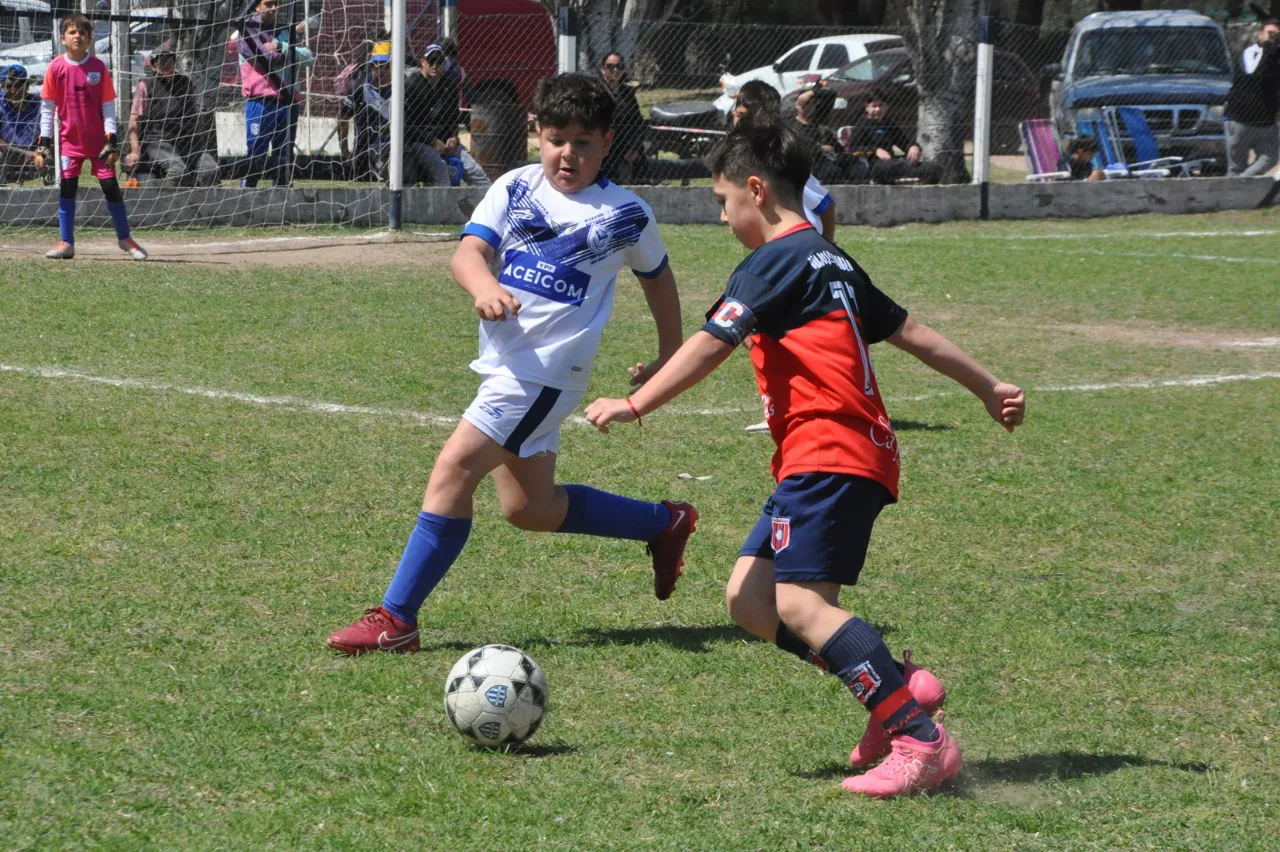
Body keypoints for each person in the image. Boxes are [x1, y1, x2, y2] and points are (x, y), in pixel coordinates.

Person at [584, 122, 1025, 798]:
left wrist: (637, 401)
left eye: (723, 198)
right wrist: (987, 384)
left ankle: (918, 739)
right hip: (839, 454)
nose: (723, 213)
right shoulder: (831, 258)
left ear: (756, 191)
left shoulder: (773, 260)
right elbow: (912, 331)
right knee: (751, 601)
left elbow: (712, 343)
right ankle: (898, 692)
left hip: (830, 449)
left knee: (800, 604)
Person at [327, 72, 696, 655]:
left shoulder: (625, 213)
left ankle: (397, 620)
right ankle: (662, 523)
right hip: (506, 368)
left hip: (543, 376)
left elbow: (659, 282)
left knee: (453, 470)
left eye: (582, 142)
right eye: (555, 139)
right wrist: (482, 287)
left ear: (607, 142)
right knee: (531, 509)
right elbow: (469, 253)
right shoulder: (515, 187)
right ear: (537, 136)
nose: (567, 154)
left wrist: (669, 354)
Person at [35, 15, 147, 260]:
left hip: (98, 144)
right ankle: (66, 243)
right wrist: (44, 144)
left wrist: (111, 140)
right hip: (69, 143)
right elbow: (47, 109)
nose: (77, 36)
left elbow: (107, 107)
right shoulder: (56, 67)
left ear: (89, 39)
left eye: (83, 33)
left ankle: (125, 239)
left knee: (111, 188)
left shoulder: (98, 68)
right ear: (63, 38)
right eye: (72, 32)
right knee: (67, 190)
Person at [732, 80, 834, 241]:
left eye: (743, 116)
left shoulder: (780, 161)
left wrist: (829, 246)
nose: (737, 122)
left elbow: (825, 204)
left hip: (802, 241)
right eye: (737, 115)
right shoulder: (744, 156)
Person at [238, 0, 313, 187]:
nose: (273, 8)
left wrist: (281, 46)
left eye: (276, 4)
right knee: (255, 157)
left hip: (288, 104)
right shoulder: (246, 31)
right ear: (256, 6)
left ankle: (281, 205)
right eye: (268, 4)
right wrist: (288, 54)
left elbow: (308, 57)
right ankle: (246, 205)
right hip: (261, 102)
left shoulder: (285, 32)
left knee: (284, 158)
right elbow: (269, 58)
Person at [125, 42, 219, 187]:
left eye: (169, 59)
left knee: (211, 169)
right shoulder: (145, 85)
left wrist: (199, 143)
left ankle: (197, 207)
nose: (165, 63)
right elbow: (134, 120)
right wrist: (135, 151)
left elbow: (194, 116)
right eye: (161, 60)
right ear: (153, 65)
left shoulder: (185, 83)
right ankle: (168, 206)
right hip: (157, 141)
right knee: (178, 171)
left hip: (185, 140)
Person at [404, 42, 490, 187]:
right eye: (431, 60)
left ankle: (489, 205)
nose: (435, 65)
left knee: (478, 174)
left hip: (446, 143)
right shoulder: (411, 85)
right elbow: (406, 127)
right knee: (442, 172)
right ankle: (444, 208)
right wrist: (432, 141)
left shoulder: (448, 86)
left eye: (440, 61)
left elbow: (452, 118)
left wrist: (453, 137)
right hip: (421, 143)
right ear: (422, 63)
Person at [845, 92, 942, 185]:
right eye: (874, 106)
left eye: (881, 105)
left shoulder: (888, 124)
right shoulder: (862, 124)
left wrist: (914, 146)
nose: (878, 109)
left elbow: (904, 141)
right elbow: (853, 149)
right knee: (901, 167)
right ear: (867, 108)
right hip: (873, 166)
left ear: (886, 107)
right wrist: (875, 150)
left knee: (934, 169)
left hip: (892, 163)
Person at [1224, 18, 1279, 177]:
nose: (1273, 37)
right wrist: (1269, 48)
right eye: (1270, 33)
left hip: (1266, 122)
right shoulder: (1252, 52)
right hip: (1241, 119)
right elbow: (1255, 75)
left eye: (1277, 35)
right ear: (1260, 34)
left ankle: (1241, 183)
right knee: (1236, 166)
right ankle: (1235, 195)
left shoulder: (1275, 55)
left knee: (1271, 157)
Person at [337, 39, 393, 181]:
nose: (379, 70)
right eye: (375, 65)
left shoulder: (403, 86)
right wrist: (345, 150)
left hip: (395, 149)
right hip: (365, 153)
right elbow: (343, 118)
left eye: (384, 66)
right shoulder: (360, 88)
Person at [790, 85, 853, 184]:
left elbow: (832, 93)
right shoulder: (791, 123)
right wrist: (819, 147)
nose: (808, 106)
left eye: (811, 103)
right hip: (809, 162)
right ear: (798, 104)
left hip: (830, 157)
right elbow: (795, 145)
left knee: (855, 165)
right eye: (805, 103)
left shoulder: (818, 119)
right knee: (832, 171)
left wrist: (811, 93)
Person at [599, 51, 646, 184]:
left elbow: (638, 122)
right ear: (603, 70)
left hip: (629, 145)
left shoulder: (628, 93)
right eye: (610, 66)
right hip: (607, 147)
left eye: (619, 67)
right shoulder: (597, 92)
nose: (615, 70)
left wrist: (634, 148)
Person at [0, 64, 40, 184]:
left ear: (26, 86)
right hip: (7, 153)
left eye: (17, 85)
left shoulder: (38, 104)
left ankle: (57, 187)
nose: (13, 90)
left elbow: (49, 133)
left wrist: (40, 150)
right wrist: (24, 153)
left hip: (35, 152)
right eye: (8, 86)